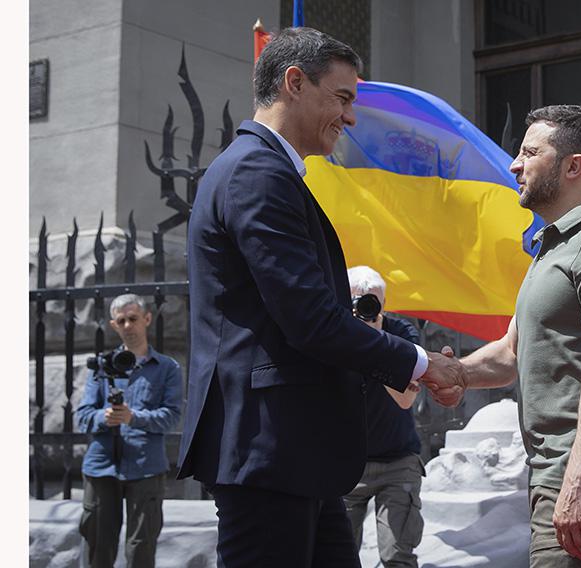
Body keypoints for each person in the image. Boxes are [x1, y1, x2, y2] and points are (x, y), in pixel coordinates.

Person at [176, 27, 460, 567]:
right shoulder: (257, 172)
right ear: (294, 83)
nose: (350, 117)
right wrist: (420, 364)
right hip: (270, 451)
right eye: (343, 97)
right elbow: (311, 320)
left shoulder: (265, 171)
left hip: (294, 452)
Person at [423, 105, 581, 567]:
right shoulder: (556, 246)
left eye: (529, 152)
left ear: (574, 166)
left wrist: (579, 481)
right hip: (557, 473)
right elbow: (512, 352)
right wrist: (452, 372)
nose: (514, 164)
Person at [75, 294, 183, 568]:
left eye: (133, 318)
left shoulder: (167, 368)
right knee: (98, 547)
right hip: (101, 467)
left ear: (147, 319)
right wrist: (105, 417)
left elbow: (172, 417)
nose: (127, 325)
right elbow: (83, 416)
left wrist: (134, 418)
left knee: (141, 550)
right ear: (114, 325)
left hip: (146, 466)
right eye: (121, 320)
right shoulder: (101, 366)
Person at [343, 266, 425, 567]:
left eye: (372, 302)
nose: (364, 310)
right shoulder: (332, 334)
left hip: (398, 462)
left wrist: (375, 344)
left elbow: (406, 399)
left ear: (384, 304)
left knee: (397, 556)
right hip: (346, 465)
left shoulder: (401, 333)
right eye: (357, 302)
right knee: (337, 555)